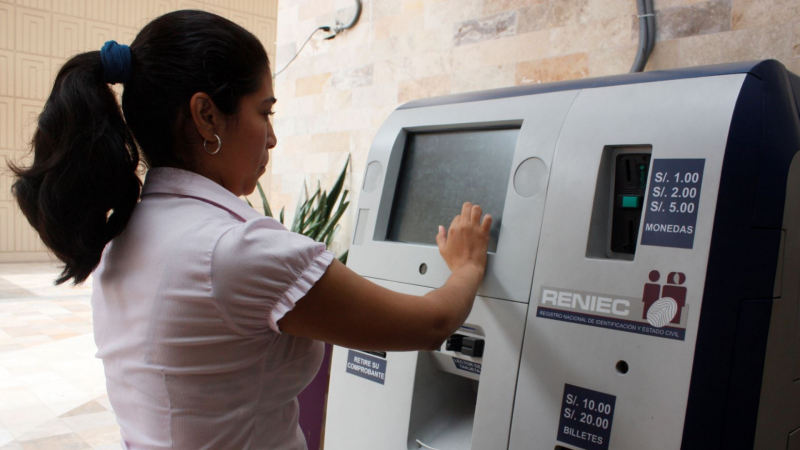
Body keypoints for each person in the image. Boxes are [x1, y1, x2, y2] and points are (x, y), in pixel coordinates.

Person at [9, 10, 491, 450]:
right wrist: (467, 266)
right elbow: (430, 324)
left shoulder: (125, 232)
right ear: (206, 116)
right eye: (265, 112)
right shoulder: (236, 250)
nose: (272, 137)